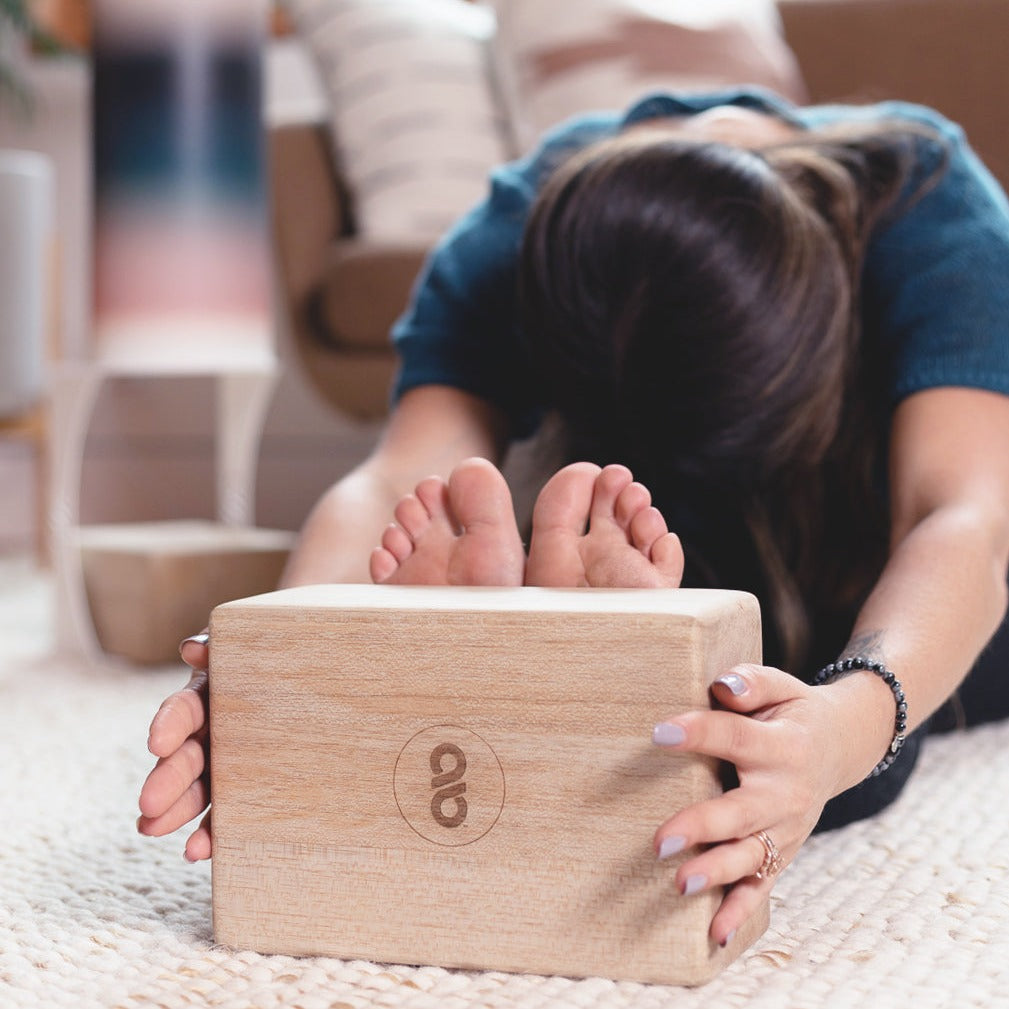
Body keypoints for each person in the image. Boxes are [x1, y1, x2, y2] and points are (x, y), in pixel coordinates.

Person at [138, 86, 1009, 949]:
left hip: (886, 522)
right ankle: (554, 652)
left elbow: (959, 516)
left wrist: (846, 728)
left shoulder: (929, 209)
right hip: (652, 516)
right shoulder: (511, 238)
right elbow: (401, 474)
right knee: (679, 675)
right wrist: (278, 670)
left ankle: (579, 660)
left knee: (795, 713)